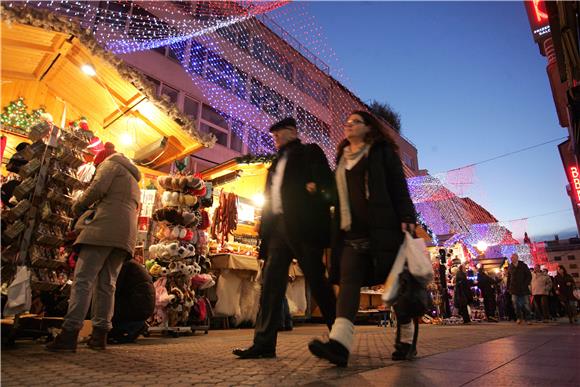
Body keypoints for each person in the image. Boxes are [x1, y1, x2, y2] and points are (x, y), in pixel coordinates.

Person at [307, 110, 417, 367]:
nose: (349, 126)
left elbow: (399, 188)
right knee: (348, 285)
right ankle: (340, 346)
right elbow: (338, 195)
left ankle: (407, 336)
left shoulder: (381, 152)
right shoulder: (342, 158)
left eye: (355, 122)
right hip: (350, 234)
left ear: (369, 128)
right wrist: (319, 191)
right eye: (347, 123)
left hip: (383, 230)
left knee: (396, 291)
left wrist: (407, 216)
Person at [233, 117, 337, 359]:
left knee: (318, 282)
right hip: (278, 229)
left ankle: (340, 336)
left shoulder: (309, 152)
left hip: (304, 227)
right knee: (270, 286)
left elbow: (327, 184)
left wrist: (315, 190)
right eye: (274, 136)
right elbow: (270, 202)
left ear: (292, 131)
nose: (276, 138)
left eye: (279, 134)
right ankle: (264, 344)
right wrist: (264, 243)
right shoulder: (275, 163)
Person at [47, 142, 141, 352]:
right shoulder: (133, 179)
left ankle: (69, 333)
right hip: (125, 234)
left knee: (83, 280)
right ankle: (100, 335)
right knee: (108, 283)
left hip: (102, 229)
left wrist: (78, 205)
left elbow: (96, 189)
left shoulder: (110, 165)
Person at [108, 258, 155, 344]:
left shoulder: (123, 265)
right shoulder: (130, 264)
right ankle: (132, 326)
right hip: (142, 305)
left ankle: (133, 327)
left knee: (107, 305)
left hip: (137, 306)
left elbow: (114, 288)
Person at [507, 253, 532, 325]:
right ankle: (519, 318)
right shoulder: (510, 266)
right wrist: (508, 287)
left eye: (513, 257)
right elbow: (509, 278)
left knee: (526, 304)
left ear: (517, 258)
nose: (512, 259)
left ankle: (528, 318)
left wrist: (525, 284)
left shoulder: (523, 265)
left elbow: (529, 275)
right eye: (511, 258)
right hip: (514, 289)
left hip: (523, 288)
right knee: (515, 304)